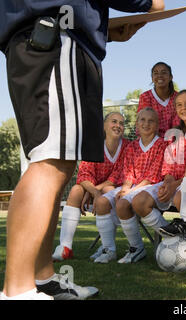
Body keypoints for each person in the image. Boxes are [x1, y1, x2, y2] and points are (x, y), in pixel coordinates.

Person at [0, 0, 165, 300]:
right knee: (50, 164)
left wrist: (100, 30)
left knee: (57, 167)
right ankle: (17, 291)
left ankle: (43, 277)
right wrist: (149, 3)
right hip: (57, 40)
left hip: (43, 37)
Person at [129, 90, 186, 241]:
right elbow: (169, 167)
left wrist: (174, 186)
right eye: (179, 105)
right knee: (139, 201)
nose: (183, 108)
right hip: (174, 183)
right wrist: (168, 183)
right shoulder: (175, 135)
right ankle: (172, 238)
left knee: (180, 198)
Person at [52, 112, 129, 261]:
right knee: (75, 190)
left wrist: (94, 191)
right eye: (114, 121)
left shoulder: (127, 147)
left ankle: (108, 247)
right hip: (95, 190)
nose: (118, 126)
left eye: (121, 123)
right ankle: (65, 247)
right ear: (104, 125)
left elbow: (117, 177)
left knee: (108, 190)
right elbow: (84, 174)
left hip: (115, 190)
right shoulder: (94, 144)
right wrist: (93, 191)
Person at [93, 108, 166, 264]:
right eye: (142, 120)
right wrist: (126, 187)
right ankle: (108, 250)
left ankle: (136, 248)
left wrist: (130, 191)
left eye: (150, 120)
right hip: (133, 186)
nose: (146, 124)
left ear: (157, 125)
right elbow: (128, 172)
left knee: (122, 204)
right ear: (137, 124)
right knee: (102, 202)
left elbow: (151, 177)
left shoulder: (162, 145)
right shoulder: (132, 146)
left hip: (151, 186)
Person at [137, 62, 179, 138]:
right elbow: (142, 126)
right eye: (156, 73)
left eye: (164, 73)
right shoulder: (145, 97)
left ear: (170, 77)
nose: (159, 76)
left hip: (176, 141)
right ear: (152, 78)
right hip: (153, 142)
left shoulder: (178, 97)